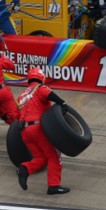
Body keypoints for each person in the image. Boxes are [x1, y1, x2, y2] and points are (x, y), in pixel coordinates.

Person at [16, 67, 70, 195]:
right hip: (37, 127)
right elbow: (50, 95)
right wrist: (63, 103)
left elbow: (14, 115)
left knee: (41, 157)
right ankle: (54, 186)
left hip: (23, 131)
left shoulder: (21, 96)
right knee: (54, 156)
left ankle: (25, 168)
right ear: (41, 78)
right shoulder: (39, 88)